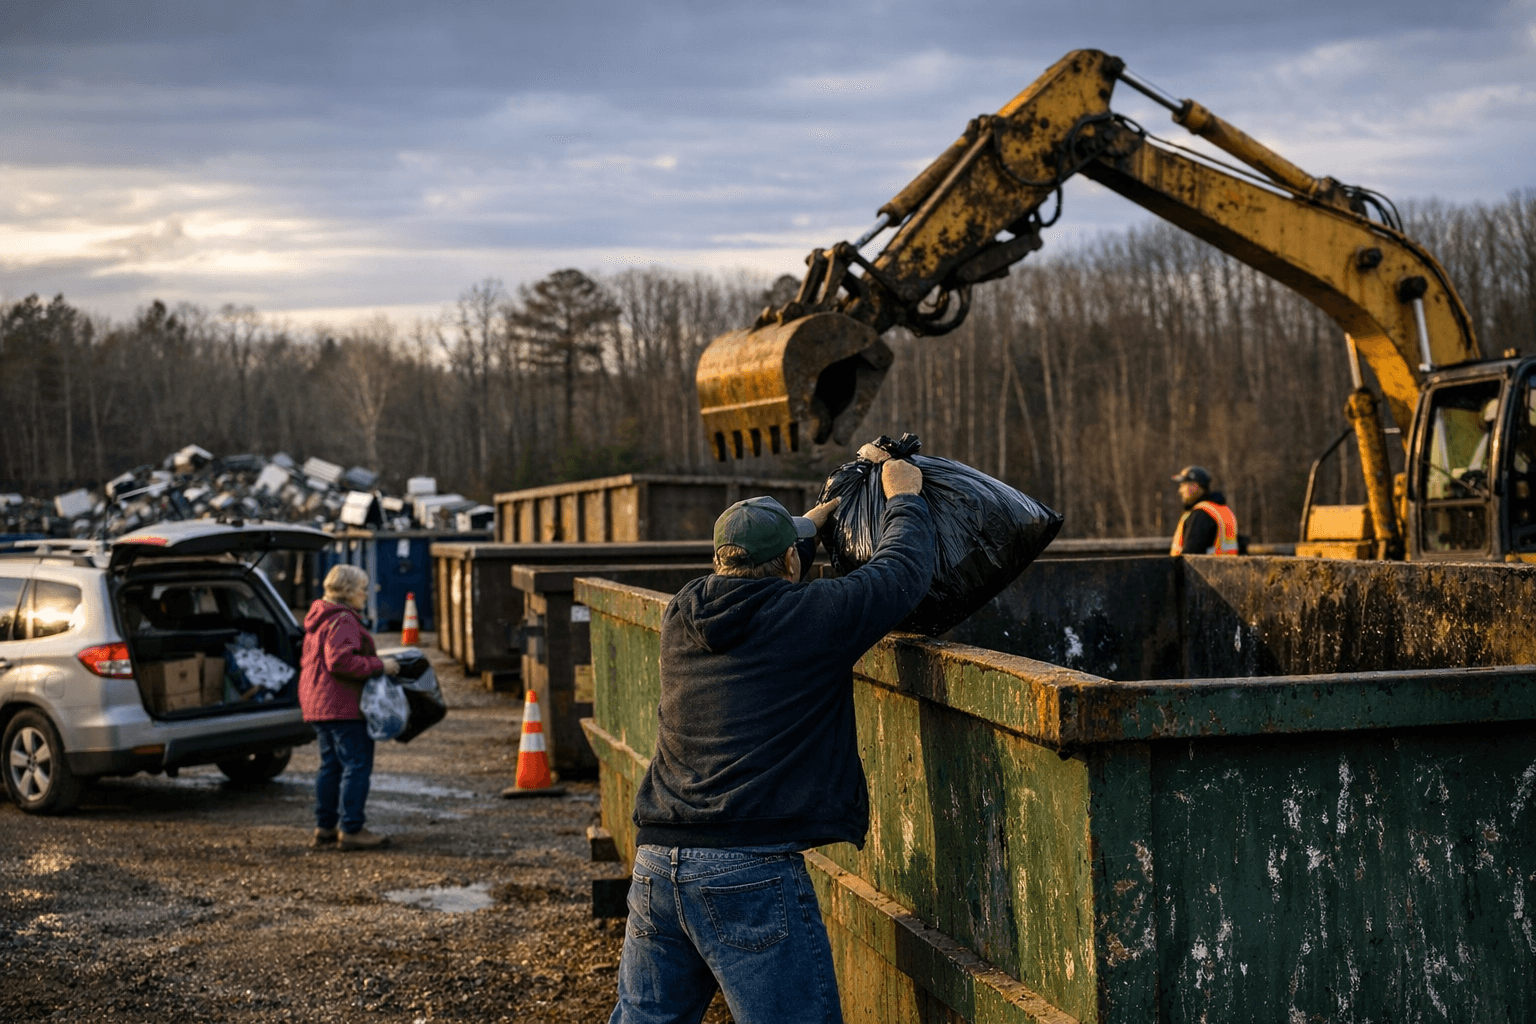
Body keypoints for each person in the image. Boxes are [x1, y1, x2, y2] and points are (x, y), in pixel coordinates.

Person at [609, 447, 936, 1024]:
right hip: (747, 872)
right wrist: (903, 496)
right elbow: (901, 572)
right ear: (790, 562)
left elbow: (773, 564)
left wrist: (819, 515)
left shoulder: (683, 614)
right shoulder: (811, 618)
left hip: (658, 863)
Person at [300, 564, 399, 851]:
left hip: (319, 703)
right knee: (356, 766)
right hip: (342, 705)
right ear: (347, 592)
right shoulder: (342, 619)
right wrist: (381, 666)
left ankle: (325, 828)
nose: (366, 594)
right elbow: (341, 661)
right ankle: (352, 829)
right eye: (362, 589)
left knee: (330, 767)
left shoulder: (320, 617)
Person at [1169, 465, 1239, 556]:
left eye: (1183, 485)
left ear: (1194, 486)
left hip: (1205, 569)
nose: (1180, 490)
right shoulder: (1222, 510)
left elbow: (1191, 554)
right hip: (1227, 568)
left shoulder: (1201, 514)